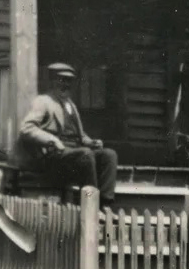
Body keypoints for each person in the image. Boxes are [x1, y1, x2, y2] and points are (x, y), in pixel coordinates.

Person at [18, 63, 118, 208]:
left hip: (74, 154)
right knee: (86, 154)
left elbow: (78, 135)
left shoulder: (70, 104)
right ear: (52, 81)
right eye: (61, 80)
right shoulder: (43, 101)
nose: (65, 84)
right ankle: (91, 204)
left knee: (109, 155)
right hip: (54, 156)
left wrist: (91, 142)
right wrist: (51, 140)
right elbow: (27, 128)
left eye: (69, 81)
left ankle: (105, 203)